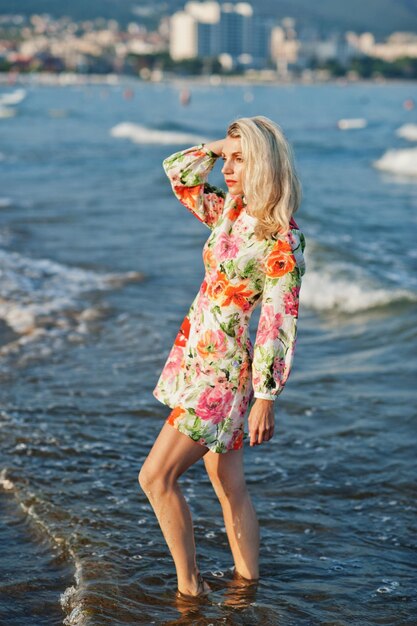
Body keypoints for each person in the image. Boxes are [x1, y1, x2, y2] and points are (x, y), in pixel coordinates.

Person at [138, 115, 306, 599]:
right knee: (225, 476)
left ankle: (190, 590)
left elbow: (279, 320)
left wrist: (266, 396)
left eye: (241, 160)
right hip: (197, 355)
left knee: (155, 477)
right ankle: (247, 584)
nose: (229, 169)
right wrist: (224, 144)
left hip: (222, 372)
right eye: (228, 160)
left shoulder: (282, 240)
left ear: (265, 165)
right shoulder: (230, 210)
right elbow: (178, 171)